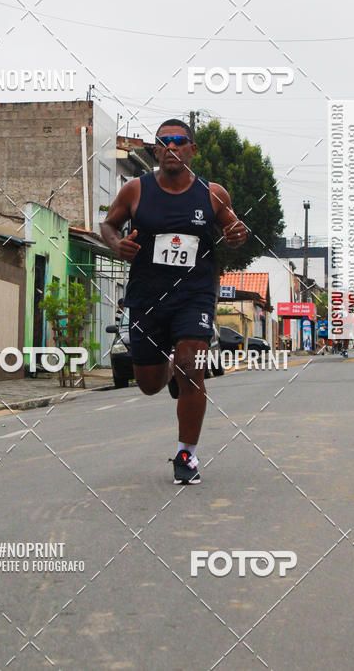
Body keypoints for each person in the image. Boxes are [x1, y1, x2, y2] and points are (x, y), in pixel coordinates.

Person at [100, 118, 247, 484]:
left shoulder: (212, 193)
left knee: (191, 367)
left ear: (192, 149)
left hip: (194, 295)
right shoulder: (135, 190)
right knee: (149, 383)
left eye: (179, 141)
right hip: (147, 297)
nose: (171, 147)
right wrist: (118, 244)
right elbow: (107, 225)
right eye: (164, 142)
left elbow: (234, 228)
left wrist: (236, 234)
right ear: (155, 150)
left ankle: (187, 455)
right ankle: (167, 370)